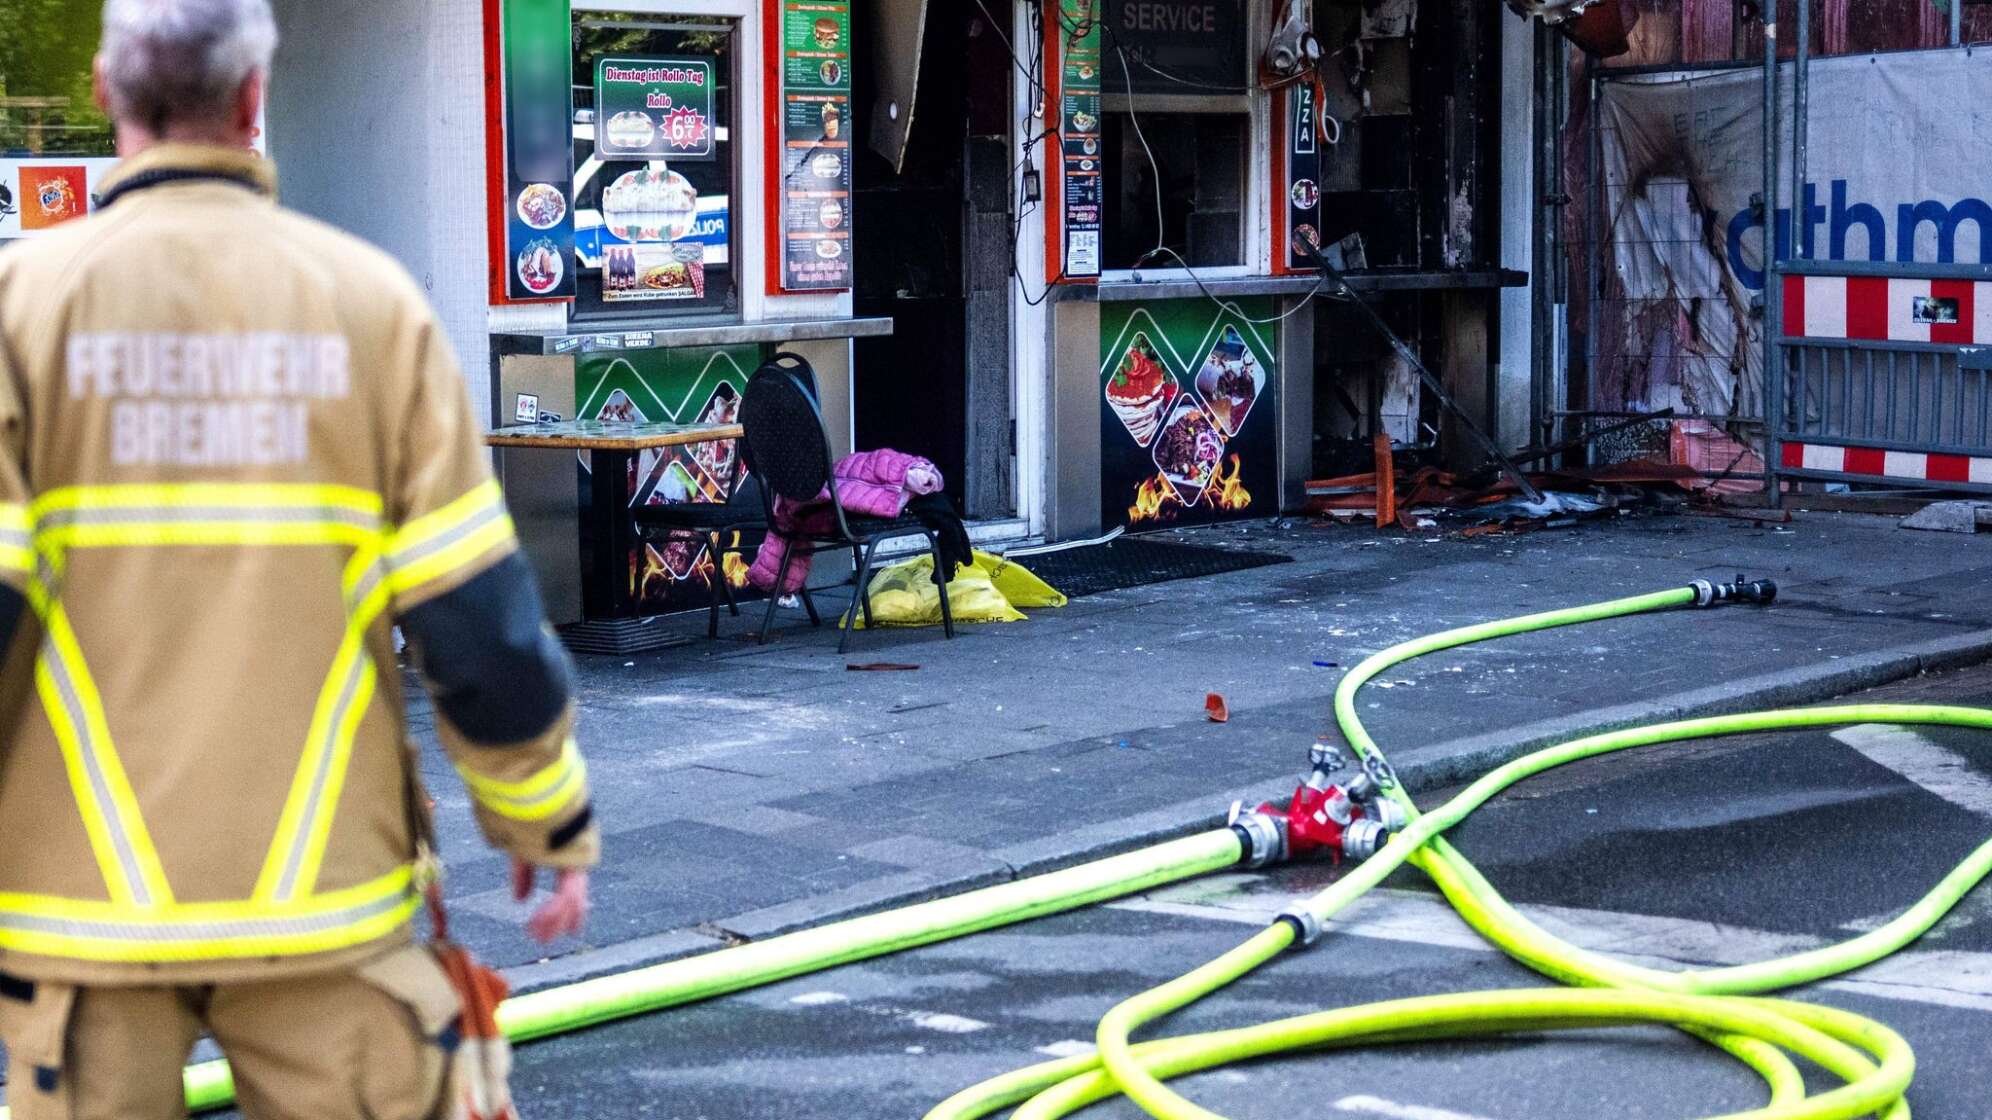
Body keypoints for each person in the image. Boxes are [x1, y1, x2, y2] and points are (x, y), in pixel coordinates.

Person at [0, 2, 597, 1117]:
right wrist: (543, 819)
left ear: (103, 93)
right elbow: (476, 620)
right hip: (323, 900)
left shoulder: (19, 313)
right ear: (252, 96)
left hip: (82, 912)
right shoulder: (374, 312)